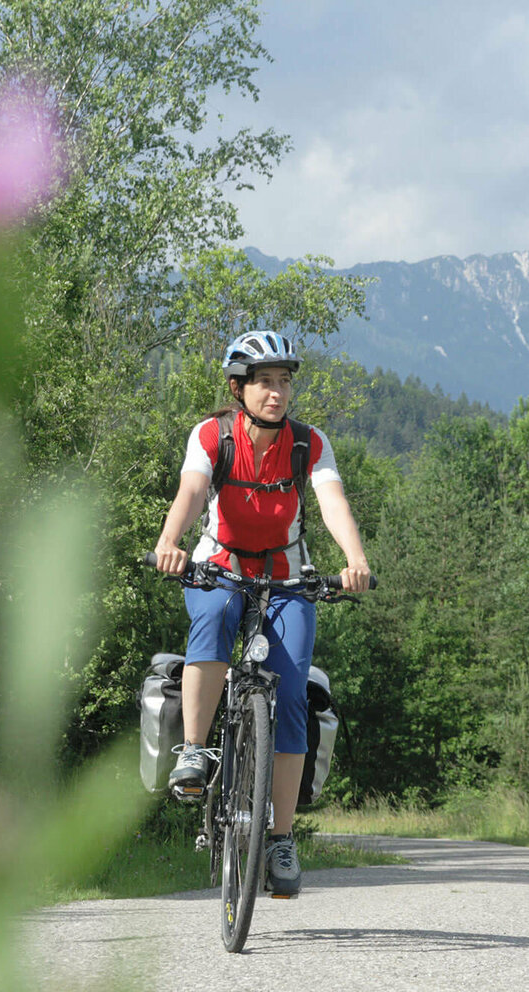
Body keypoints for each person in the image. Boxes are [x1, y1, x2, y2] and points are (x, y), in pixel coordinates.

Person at [152, 330, 371, 896]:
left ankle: (279, 838)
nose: (277, 393)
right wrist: (170, 541)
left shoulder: (308, 443)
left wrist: (355, 559)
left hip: (286, 577)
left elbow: (332, 503)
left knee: (293, 692)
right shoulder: (212, 435)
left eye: (284, 382)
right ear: (238, 387)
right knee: (216, 617)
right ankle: (197, 749)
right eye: (265, 382)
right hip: (219, 567)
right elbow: (193, 492)